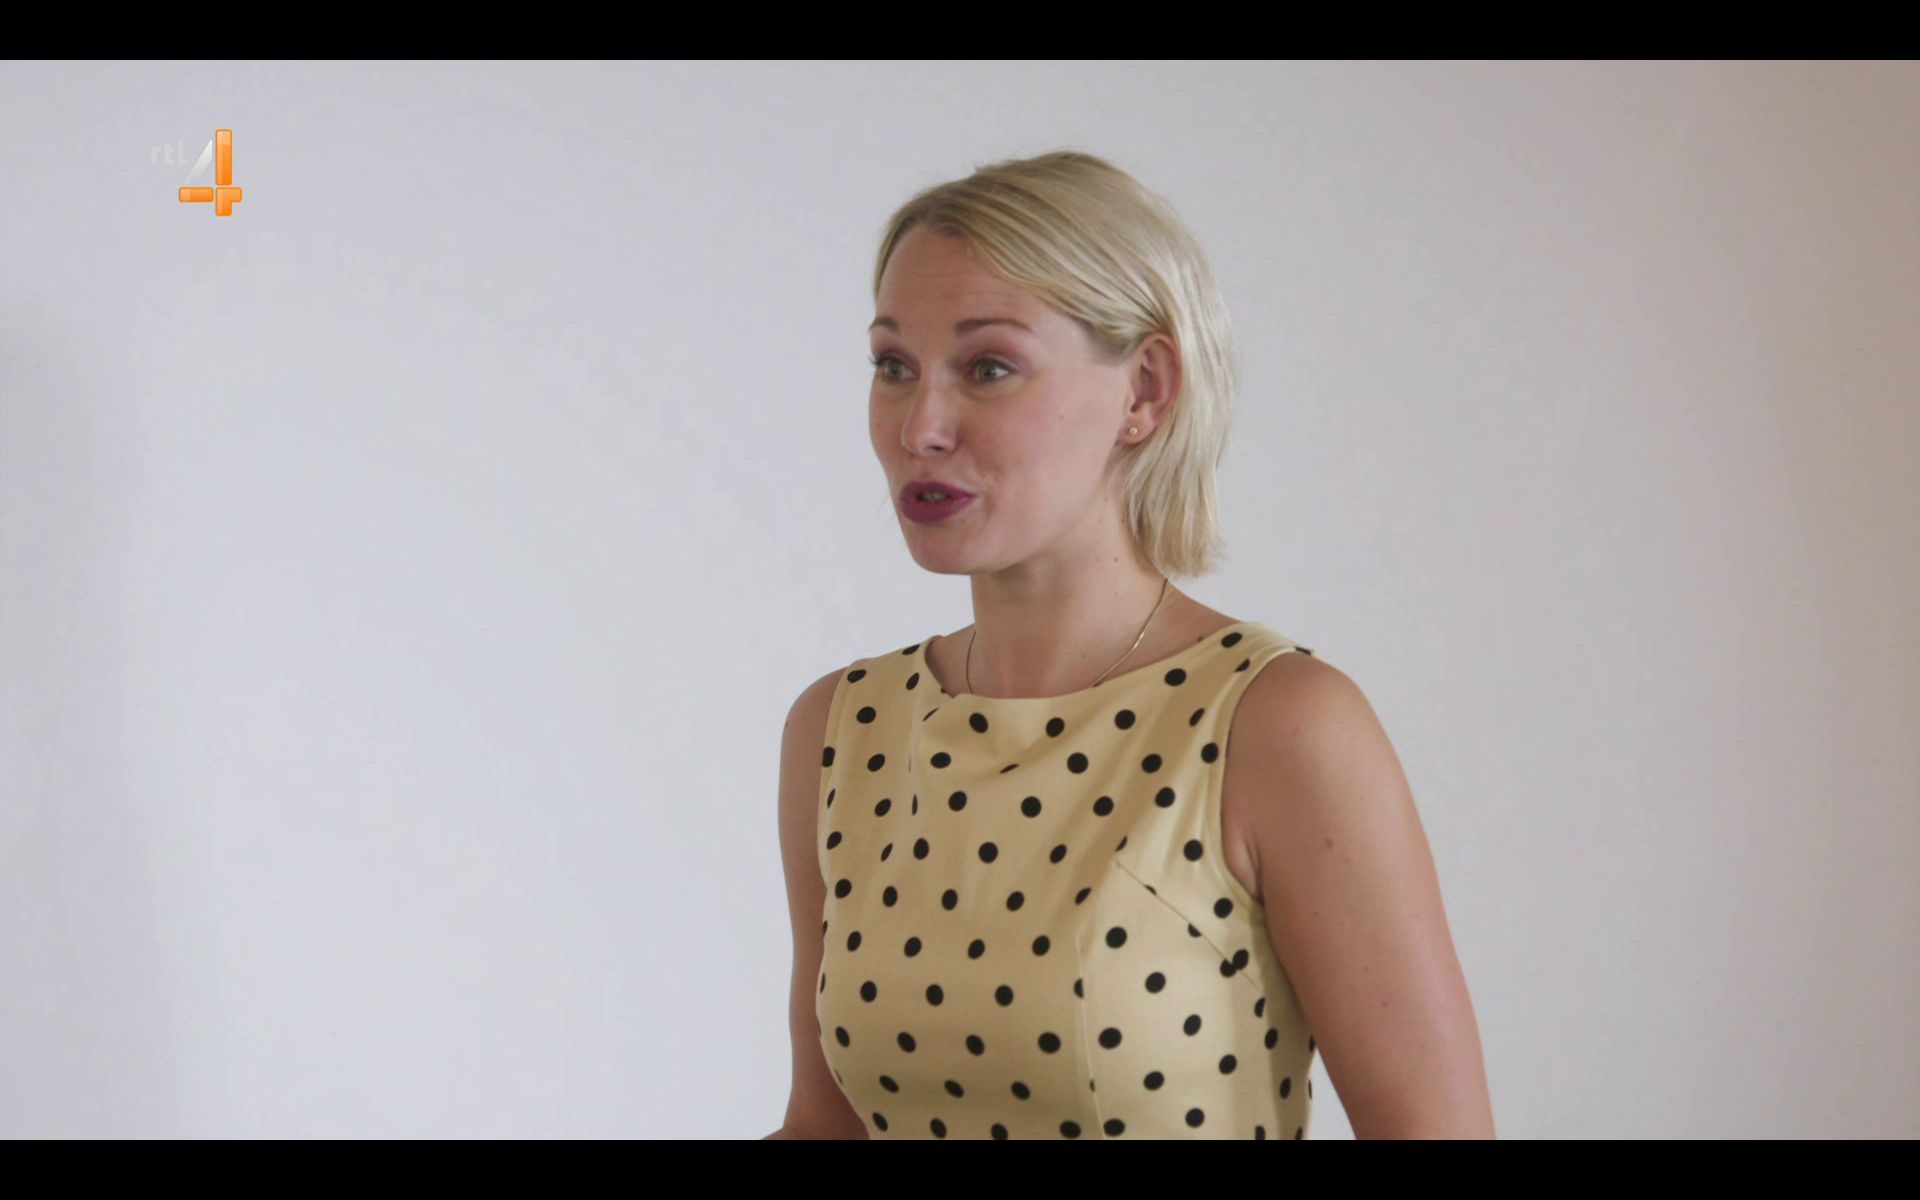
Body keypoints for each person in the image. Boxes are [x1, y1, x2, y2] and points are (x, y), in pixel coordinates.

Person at [765, 150, 1494, 1140]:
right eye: (894, 367)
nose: (920, 426)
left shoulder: (1275, 727)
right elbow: (824, 1129)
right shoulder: (841, 731)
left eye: (988, 368)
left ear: (1145, 390)